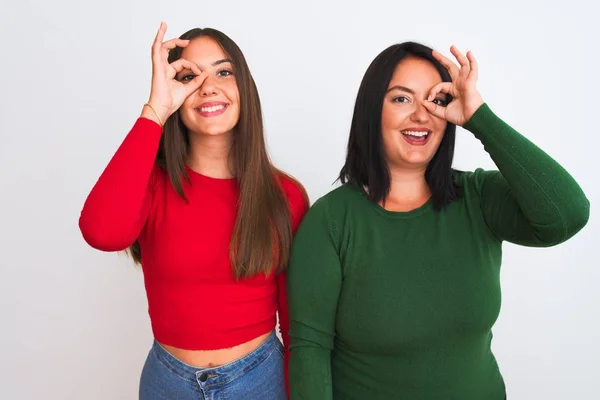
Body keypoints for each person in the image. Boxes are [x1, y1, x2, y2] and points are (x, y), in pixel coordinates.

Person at [286, 41, 589, 399]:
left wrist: (480, 118)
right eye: (401, 99)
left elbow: (567, 215)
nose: (421, 115)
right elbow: (309, 352)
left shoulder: (477, 198)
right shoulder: (331, 221)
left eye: (436, 100)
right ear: (371, 111)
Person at [79, 22, 308, 400]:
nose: (208, 87)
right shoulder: (151, 185)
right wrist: (155, 109)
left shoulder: (285, 196)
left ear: (244, 88)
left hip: (260, 381)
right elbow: (101, 231)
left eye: (223, 71)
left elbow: (297, 322)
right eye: (189, 76)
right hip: (167, 383)